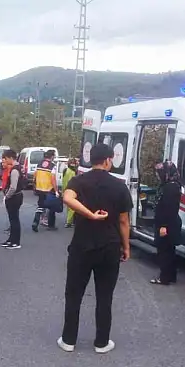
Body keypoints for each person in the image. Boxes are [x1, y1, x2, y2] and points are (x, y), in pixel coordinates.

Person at [58, 144, 131, 354]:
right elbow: (124, 221)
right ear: (108, 160)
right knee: (105, 296)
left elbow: (67, 198)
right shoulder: (119, 186)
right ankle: (102, 342)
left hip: (82, 246)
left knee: (74, 294)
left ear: (91, 160)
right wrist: (126, 247)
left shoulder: (78, 181)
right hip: (109, 247)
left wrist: (89, 215)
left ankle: (68, 340)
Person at [149, 161, 182, 285]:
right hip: (171, 223)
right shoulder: (172, 185)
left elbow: (169, 209)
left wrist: (164, 226)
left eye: (160, 173)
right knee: (170, 250)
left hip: (167, 224)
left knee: (164, 251)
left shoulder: (170, 188)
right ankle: (171, 276)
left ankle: (164, 278)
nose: (158, 176)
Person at [1, 150, 26, 249]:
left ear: (11, 158)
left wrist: (6, 196)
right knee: (12, 219)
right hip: (16, 196)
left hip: (14, 197)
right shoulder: (17, 168)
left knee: (14, 219)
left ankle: (16, 242)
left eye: (6, 159)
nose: (5, 161)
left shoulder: (15, 170)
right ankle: (11, 239)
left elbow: (13, 187)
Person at [32, 150, 59, 232]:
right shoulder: (52, 166)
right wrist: (56, 190)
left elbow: (34, 176)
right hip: (48, 189)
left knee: (40, 206)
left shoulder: (39, 164)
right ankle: (51, 225)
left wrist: (35, 185)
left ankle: (35, 222)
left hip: (39, 188)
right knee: (52, 207)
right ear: (52, 156)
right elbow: (53, 179)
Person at [62, 158, 78, 228]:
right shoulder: (73, 172)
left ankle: (69, 221)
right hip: (71, 190)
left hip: (65, 190)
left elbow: (64, 181)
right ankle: (69, 222)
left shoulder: (65, 170)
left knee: (69, 207)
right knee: (72, 208)